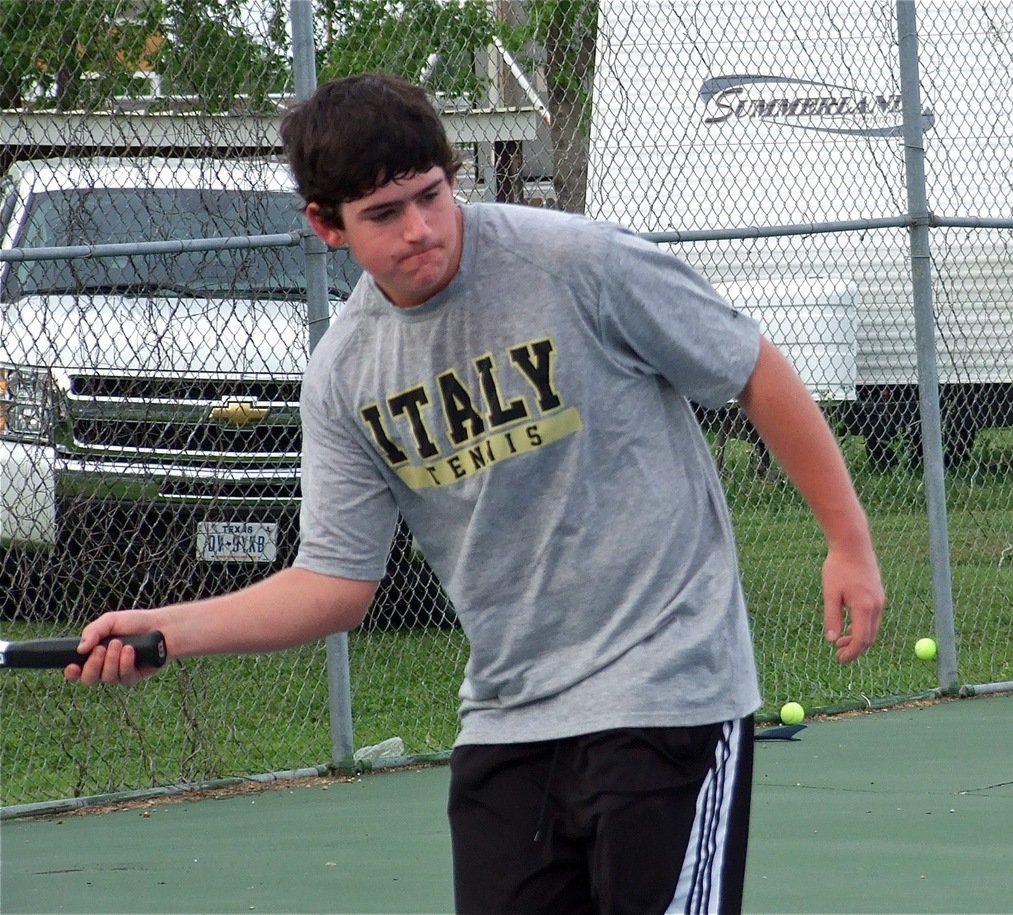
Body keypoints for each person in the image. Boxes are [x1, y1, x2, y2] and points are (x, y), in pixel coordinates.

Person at [67, 73, 886, 914]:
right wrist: (170, 629)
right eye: (384, 213)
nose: (420, 229)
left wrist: (848, 541)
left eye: (431, 195)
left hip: (669, 690)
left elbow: (752, 368)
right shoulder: (346, 373)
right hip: (512, 718)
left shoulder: (577, 262)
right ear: (326, 225)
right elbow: (334, 582)